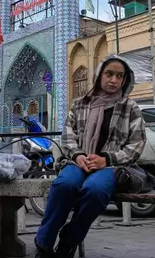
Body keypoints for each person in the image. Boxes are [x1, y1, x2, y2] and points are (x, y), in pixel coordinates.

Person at [34, 54, 147, 258]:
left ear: (125, 80)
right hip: (78, 162)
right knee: (64, 185)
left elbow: (137, 144)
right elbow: (68, 137)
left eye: (119, 76)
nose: (114, 80)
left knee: (94, 191)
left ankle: (68, 242)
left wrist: (107, 159)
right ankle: (44, 243)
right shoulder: (80, 104)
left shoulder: (130, 107)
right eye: (109, 74)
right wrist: (78, 156)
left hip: (110, 167)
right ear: (99, 75)